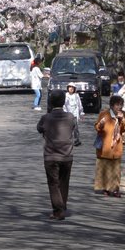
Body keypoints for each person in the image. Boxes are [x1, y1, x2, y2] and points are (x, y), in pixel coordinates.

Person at [37, 92, 76, 220]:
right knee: (64, 182)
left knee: (53, 183)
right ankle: (62, 207)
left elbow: (39, 128)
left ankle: (58, 210)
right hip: (67, 155)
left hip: (51, 155)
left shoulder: (46, 118)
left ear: (50, 102)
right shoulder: (70, 117)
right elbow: (73, 128)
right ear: (64, 102)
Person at [93, 95, 125, 197]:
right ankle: (105, 188)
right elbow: (97, 127)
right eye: (117, 105)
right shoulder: (104, 114)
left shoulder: (124, 115)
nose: (119, 107)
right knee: (104, 167)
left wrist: (122, 120)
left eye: (121, 105)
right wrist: (101, 124)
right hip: (105, 145)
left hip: (116, 146)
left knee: (115, 170)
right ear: (112, 105)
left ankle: (114, 189)